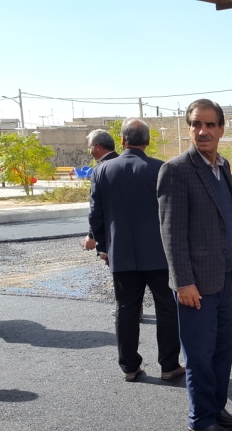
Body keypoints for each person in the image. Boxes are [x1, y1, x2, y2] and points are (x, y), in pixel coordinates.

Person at [157, 99, 232, 431]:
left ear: (221, 129)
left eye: (210, 125)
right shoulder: (175, 170)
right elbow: (171, 234)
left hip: (222, 277)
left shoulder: (222, 166)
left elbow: (231, 220)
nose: (203, 131)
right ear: (189, 128)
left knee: (222, 348)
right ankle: (200, 418)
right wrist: (182, 281)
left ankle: (216, 408)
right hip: (195, 284)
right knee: (199, 354)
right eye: (196, 124)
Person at [90, 119, 183, 383]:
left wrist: (103, 247)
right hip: (159, 253)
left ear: (122, 141)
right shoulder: (162, 168)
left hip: (121, 253)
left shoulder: (102, 171)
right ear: (148, 141)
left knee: (126, 309)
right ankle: (169, 365)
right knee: (167, 309)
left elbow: (95, 214)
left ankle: (129, 367)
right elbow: (174, 213)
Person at [82, 129, 118, 251]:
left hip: (111, 235)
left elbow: (96, 207)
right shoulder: (125, 164)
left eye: (90, 147)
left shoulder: (100, 170)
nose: (89, 151)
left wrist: (92, 235)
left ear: (97, 147)